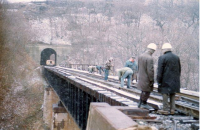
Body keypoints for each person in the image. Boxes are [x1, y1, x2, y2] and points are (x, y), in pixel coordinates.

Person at [157, 43, 181, 115]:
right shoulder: (176, 57)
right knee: (172, 93)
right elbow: (179, 69)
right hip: (175, 79)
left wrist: (159, 80)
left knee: (165, 93)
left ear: (164, 50)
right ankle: (172, 109)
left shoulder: (162, 57)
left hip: (165, 79)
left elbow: (160, 70)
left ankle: (165, 109)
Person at [137, 43, 157, 110]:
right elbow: (150, 71)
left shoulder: (140, 56)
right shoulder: (149, 58)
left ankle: (140, 103)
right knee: (147, 91)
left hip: (141, 76)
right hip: (146, 78)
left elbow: (139, 67)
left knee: (143, 90)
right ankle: (144, 103)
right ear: (153, 50)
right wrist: (152, 79)